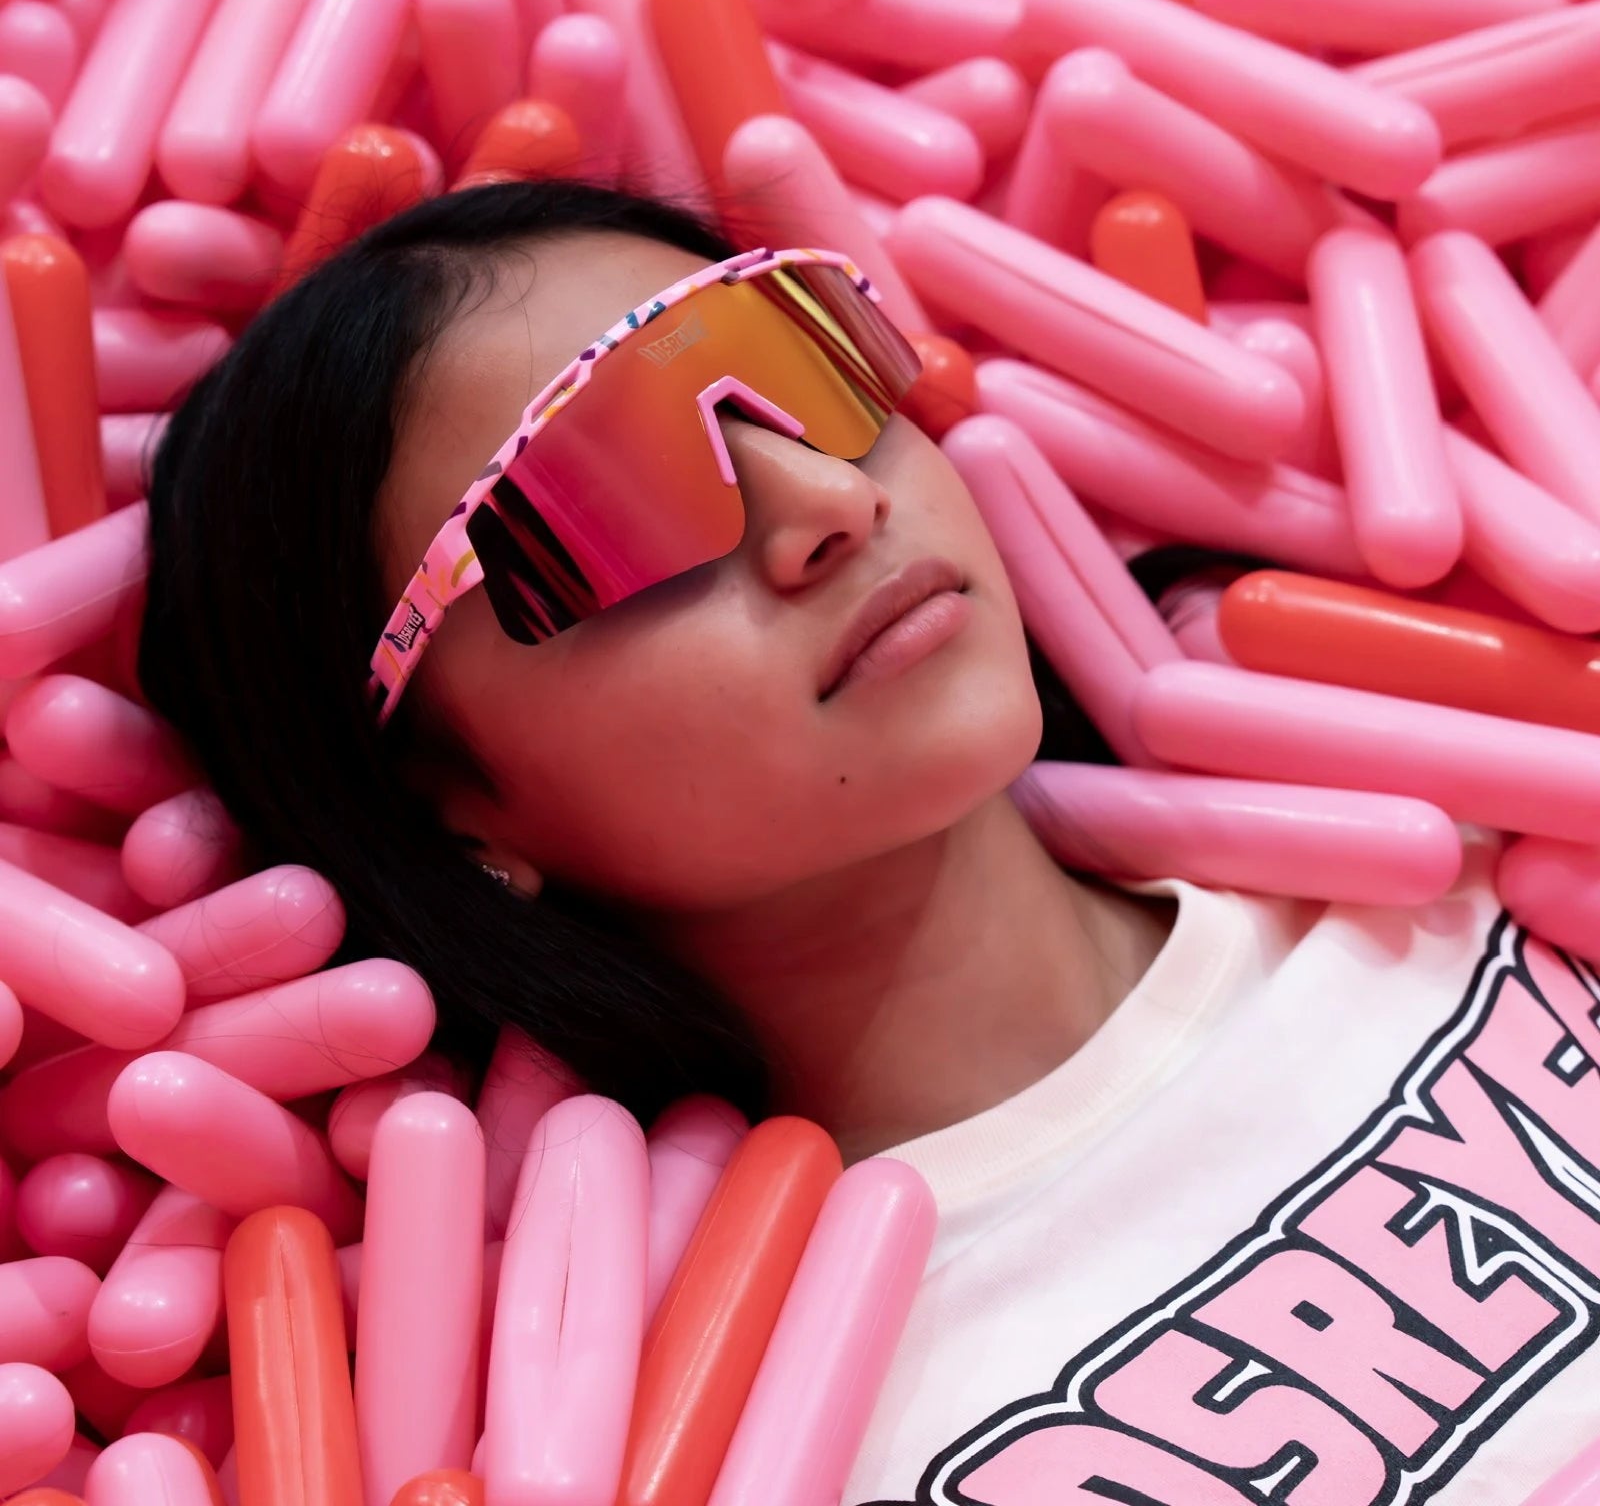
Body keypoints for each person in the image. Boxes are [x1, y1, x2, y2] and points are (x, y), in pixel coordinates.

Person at [139, 180, 1600, 1505]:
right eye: (611, 504)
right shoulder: (732, 1440)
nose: (833, 504)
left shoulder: (1483, 806)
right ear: (450, 808)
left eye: (802, 360)